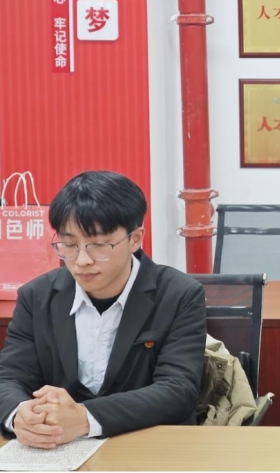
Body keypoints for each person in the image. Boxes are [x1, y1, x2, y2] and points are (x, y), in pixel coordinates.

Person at [0, 171, 206, 447]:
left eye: (98, 245)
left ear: (135, 239)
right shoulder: (36, 296)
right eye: (69, 245)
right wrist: (19, 415)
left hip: (148, 445)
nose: (82, 260)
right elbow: (9, 378)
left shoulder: (179, 294)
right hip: (58, 450)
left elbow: (178, 391)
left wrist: (85, 418)